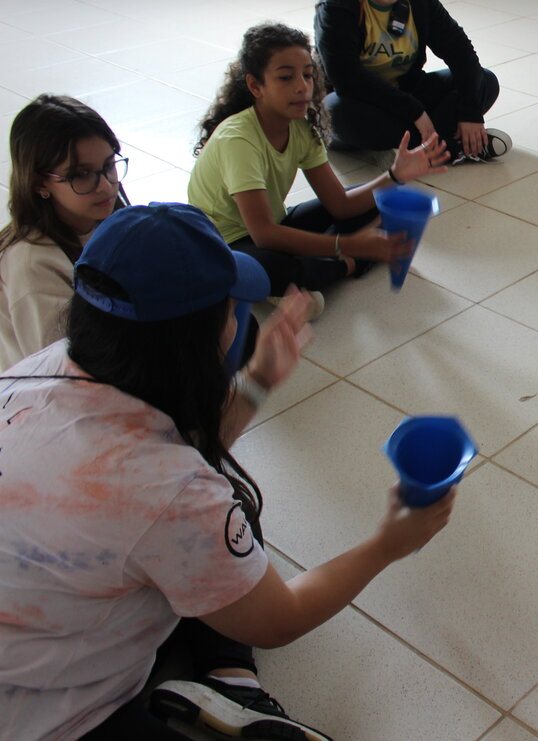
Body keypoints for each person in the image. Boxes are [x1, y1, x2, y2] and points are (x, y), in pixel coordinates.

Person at [0, 203, 458, 741]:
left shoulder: (46, 366)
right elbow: (279, 619)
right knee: (220, 526)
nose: (239, 319)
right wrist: (387, 544)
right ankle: (224, 676)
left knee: (222, 524)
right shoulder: (168, 492)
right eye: (230, 308)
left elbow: (171, 455)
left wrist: (258, 379)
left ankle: (227, 682)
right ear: (193, 342)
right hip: (40, 714)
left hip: (40, 612)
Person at [189, 22, 449, 315]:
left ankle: (311, 276)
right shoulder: (238, 140)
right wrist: (348, 245)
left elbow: (340, 204)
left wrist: (395, 175)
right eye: (286, 77)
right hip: (224, 245)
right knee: (267, 266)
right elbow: (263, 234)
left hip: (274, 225)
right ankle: (336, 267)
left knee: (379, 202)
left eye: (308, 74)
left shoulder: (301, 126)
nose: (302, 86)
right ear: (255, 86)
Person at [314, 0, 511, 163]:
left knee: (486, 82)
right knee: (334, 111)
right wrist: (416, 112)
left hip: (404, 92)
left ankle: (415, 148)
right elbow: (347, 80)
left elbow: (460, 51)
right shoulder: (337, 6)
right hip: (359, 101)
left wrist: (471, 113)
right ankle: (449, 147)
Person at [0, 95, 129, 369]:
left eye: (109, 165)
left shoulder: (100, 217)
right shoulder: (32, 263)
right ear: (39, 184)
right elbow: (63, 369)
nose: (106, 186)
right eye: (81, 174)